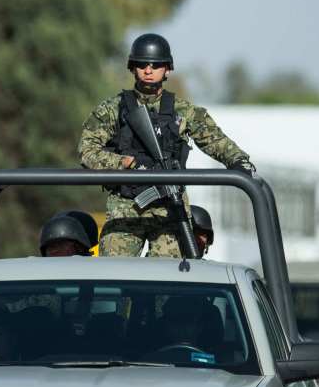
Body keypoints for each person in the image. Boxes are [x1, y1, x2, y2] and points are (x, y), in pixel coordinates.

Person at [78, 33, 254, 258]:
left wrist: (239, 162)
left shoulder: (184, 111)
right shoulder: (113, 110)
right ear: (133, 68)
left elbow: (215, 141)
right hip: (126, 208)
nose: (148, 70)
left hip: (170, 208)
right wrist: (122, 163)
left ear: (167, 69)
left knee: (168, 280)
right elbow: (87, 150)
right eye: (142, 64)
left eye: (155, 65)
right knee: (115, 277)